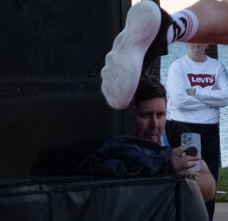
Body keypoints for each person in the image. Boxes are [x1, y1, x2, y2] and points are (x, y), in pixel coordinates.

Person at [88, 77, 217, 212]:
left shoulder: (176, 133)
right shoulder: (118, 143)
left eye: (160, 115)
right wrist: (169, 170)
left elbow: (209, 188)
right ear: (130, 115)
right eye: (145, 115)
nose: (154, 124)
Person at [165, 40, 228, 221]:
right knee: (186, 181)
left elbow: (225, 97)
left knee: (208, 181)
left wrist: (195, 92)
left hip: (210, 129)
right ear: (186, 42)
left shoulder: (216, 67)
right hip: (185, 128)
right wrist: (208, 95)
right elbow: (179, 100)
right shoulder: (178, 67)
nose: (197, 43)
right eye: (193, 39)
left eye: (201, 38)